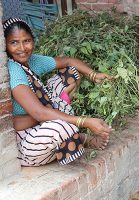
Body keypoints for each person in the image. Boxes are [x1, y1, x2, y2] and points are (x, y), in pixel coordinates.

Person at [3, 18, 114, 166]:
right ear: (4, 45)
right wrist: (84, 121)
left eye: (27, 41)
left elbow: (68, 61)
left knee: (71, 73)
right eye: (14, 42)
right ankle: (82, 139)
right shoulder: (13, 69)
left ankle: (63, 124)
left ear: (33, 40)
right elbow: (38, 113)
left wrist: (94, 75)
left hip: (41, 119)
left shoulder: (32, 61)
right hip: (27, 142)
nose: (22, 48)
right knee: (61, 126)